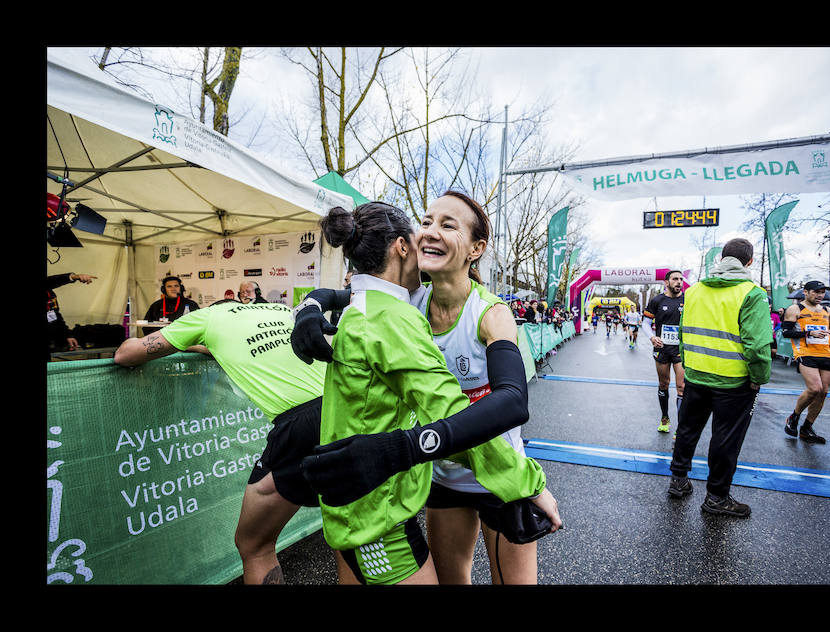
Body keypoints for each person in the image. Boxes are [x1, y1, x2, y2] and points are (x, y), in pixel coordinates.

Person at [294, 192, 563, 585]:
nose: (430, 232)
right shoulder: (410, 303)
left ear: (476, 248)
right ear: (406, 243)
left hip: (501, 472)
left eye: (448, 225)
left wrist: (528, 483)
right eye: (426, 221)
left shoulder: (492, 315)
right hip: (445, 477)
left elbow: (512, 402)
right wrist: (310, 306)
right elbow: (357, 293)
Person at [114, 298, 328, 584]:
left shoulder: (206, 317)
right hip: (346, 405)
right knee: (343, 519)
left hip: (301, 422)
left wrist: (185, 339)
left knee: (254, 545)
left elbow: (125, 354)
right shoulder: (280, 309)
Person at [667, 238, 771, 517]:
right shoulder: (753, 294)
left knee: (687, 429)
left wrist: (688, 367)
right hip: (734, 382)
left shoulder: (696, 290)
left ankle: (678, 481)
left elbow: (682, 333)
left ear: (722, 258)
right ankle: (716, 497)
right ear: (749, 262)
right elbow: (758, 346)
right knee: (725, 439)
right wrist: (759, 377)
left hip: (697, 375)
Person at [780, 280, 830, 444]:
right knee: (815, 388)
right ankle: (794, 416)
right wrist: (808, 333)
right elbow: (786, 332)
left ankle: (807, 428)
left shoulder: (828, 310)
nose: (820, 295)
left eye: (822, 292)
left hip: (827, 354)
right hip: (805, 352)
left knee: (823, 392)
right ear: (805, 292)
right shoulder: (795, 309)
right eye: (816, 292)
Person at [641, 270, 685, 433]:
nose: (679, 282)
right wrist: (652, 337)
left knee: (681, 386)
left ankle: (681, 428)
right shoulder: (657, 300)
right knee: (664, 383)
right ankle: (665, 417)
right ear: (666, 282)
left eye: (680, 279)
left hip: (680, 349)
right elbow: (645, 323)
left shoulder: (688, 299)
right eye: (675, 279)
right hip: (662, 348)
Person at [47, 272, 97, 357]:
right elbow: (51, 281)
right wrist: (73, 277)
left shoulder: (49, 293)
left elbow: (55, 317)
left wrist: (67, 335)